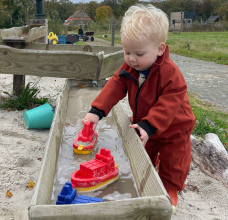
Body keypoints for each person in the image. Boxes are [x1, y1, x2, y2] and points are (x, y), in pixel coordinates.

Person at [82, 4, 196, 208]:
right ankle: (149, 172)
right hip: (145, 122)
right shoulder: (130, 68)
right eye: (127, 52)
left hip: (174, 125)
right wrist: (96, 111)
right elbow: (115, 85)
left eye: (139, 54)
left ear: (160, 49)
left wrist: (150, 125)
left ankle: (170, 187)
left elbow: (169, 102)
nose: (131, 59)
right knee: (146, 151)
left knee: (174, 159)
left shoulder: (169, 73)